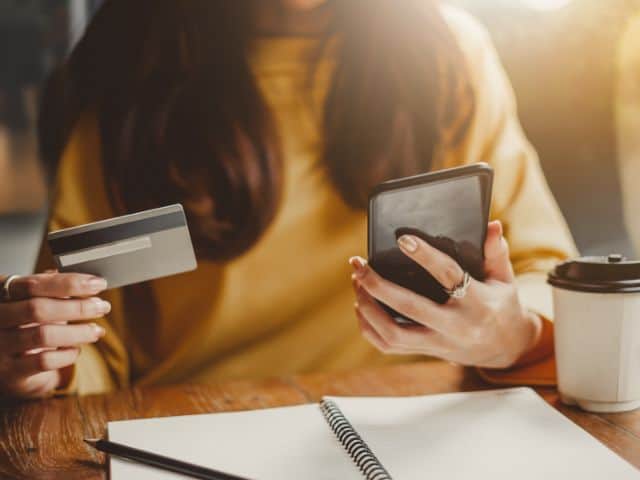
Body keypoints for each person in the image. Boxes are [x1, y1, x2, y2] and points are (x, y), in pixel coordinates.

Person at [0, 0, 576, 399]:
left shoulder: (451, 59)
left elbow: (547, 276)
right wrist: (48, 362)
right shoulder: (123, 86)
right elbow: (91, 341)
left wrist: (513, 334)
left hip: (420, 423)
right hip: (184, 430)